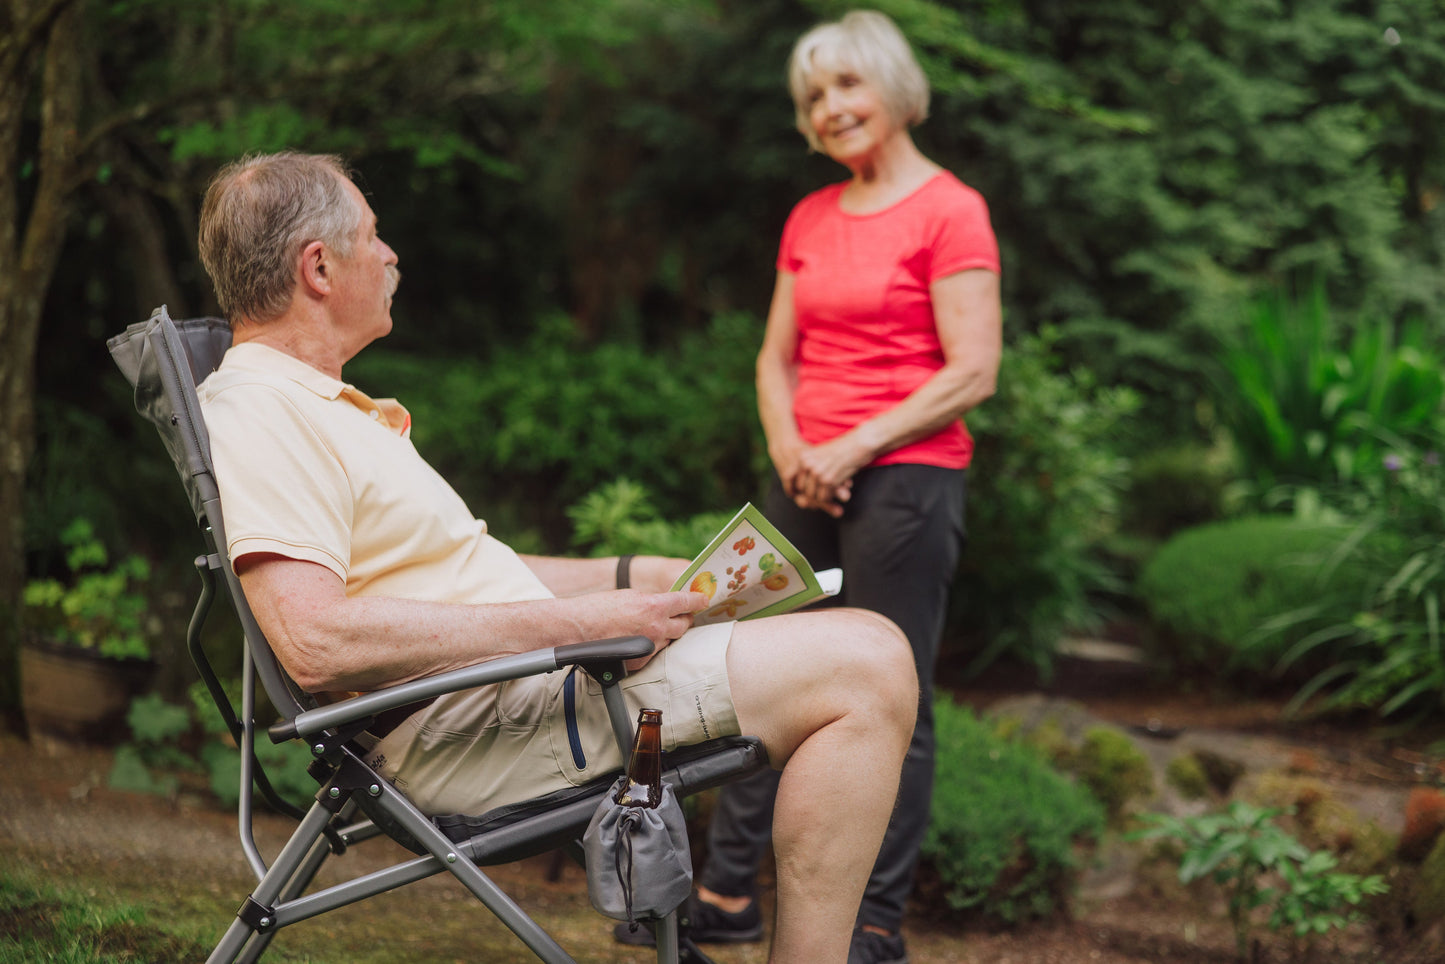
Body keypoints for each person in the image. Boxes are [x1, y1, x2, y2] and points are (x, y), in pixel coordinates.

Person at [192, 150, 917, 964]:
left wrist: (633, 578)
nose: (391, 255)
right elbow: (313, 641)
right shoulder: (264, 410)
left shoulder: (326, 406)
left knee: (861, 647)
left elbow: (471, 573)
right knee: (869, 664)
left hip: (517, 688)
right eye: (373, 236)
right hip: (467, 725)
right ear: (318, 268)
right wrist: (582, 624)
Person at [680, 11, 1003, 964]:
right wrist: (791, 448)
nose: (829, 108)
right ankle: (725, 896)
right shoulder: (811, 216)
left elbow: (972, 369)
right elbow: (774, 358)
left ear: (894, 88)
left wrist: (849, 448)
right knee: (753, 673)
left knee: (893, 695)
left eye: (846, 85)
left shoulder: (952, 209)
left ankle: (873, 926)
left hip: (906, 478)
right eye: (813, 95)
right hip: (804, 472)